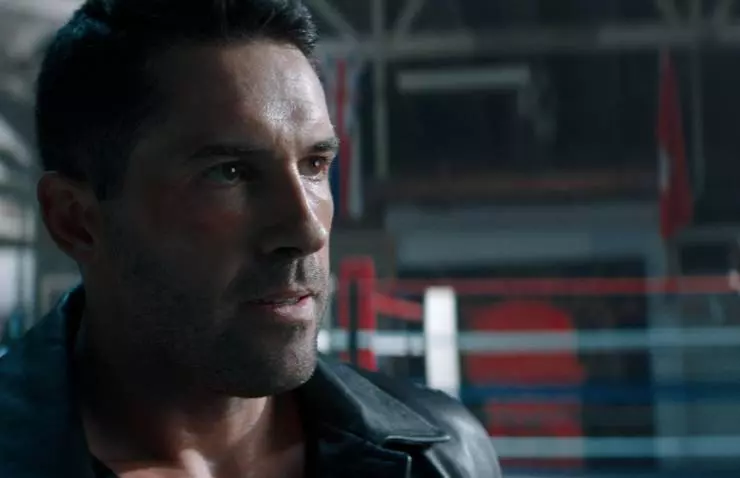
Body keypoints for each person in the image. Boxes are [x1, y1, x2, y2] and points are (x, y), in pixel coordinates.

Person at [0, 1, 500, 477]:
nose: (307, 230)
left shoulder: (442, 456)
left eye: (314, 165)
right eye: (230, 172)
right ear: (76, 221)